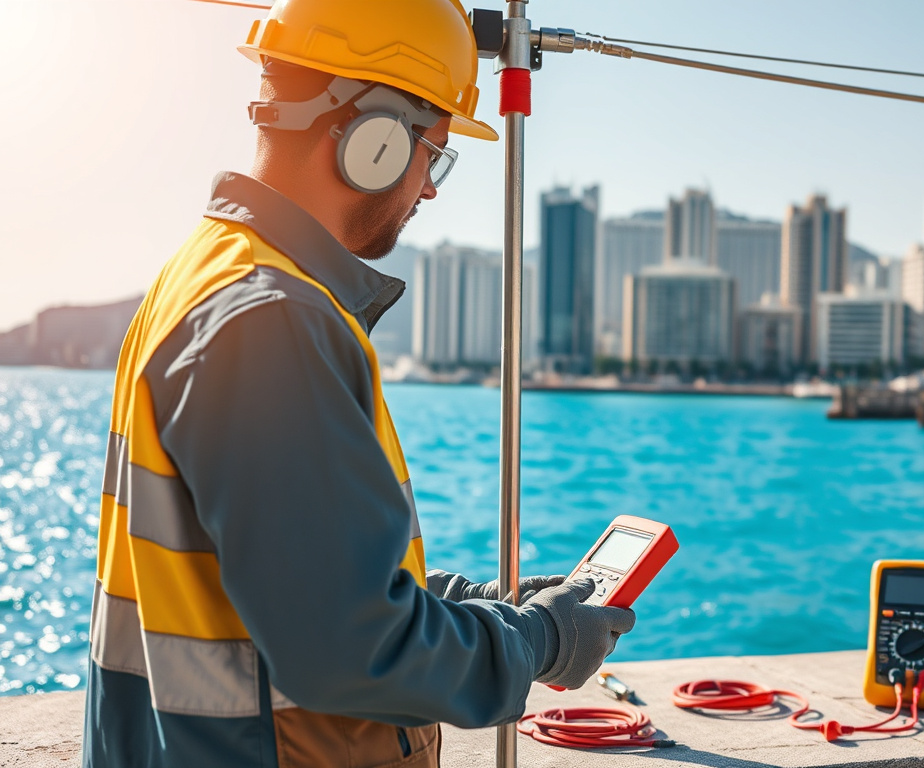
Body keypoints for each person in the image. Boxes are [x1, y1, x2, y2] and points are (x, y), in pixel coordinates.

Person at [82, 2, 635, 766]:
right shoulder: (272, 319)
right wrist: (541, 639)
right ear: (373, 138)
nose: (432, 189)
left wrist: (457, 604)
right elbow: (355, 651)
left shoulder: (207, 270)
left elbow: (260, 577)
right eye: (433, 154)